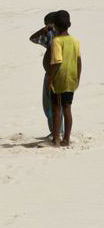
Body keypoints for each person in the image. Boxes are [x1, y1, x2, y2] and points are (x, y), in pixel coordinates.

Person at [47, 10, 81, 146]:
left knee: (56, 109)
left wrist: (50, 79)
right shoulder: (75, 40)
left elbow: (57, 62)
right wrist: (78, 77)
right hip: (72, 78)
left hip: (59, 79)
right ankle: (66, 139)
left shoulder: (56, 41)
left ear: (54, 26)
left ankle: (56, 138)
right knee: (67, 108)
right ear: (69, 24)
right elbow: (79, 61)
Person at [29, 11, 63, 137]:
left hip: (53, 75)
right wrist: (44, 30)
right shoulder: (50, 37)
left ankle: (57, 131)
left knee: (53, 105)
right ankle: (56, 130)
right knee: (50, 105)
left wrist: (45, 30)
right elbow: (33, 38)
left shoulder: (58, 39)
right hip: (50, 74)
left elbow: (33, 38)